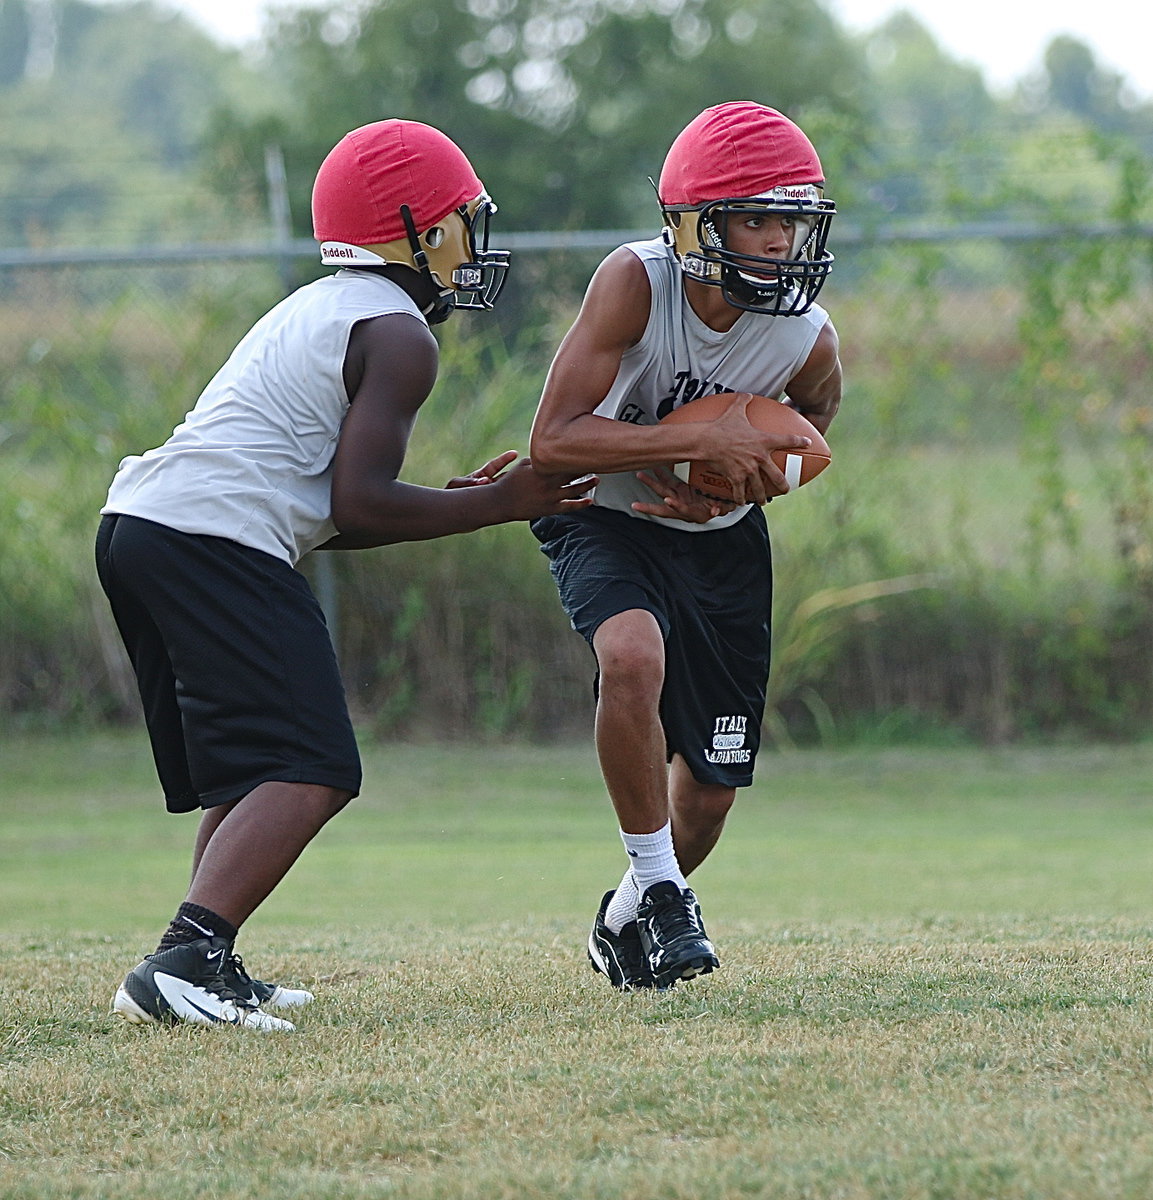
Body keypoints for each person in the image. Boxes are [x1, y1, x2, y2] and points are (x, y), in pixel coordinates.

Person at [95, 118, 595, 1031]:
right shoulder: (400, 336)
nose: (470, 242)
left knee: (258, 769)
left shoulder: (322, 305)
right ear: (411, 230)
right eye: (458, 221)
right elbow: (362, 505)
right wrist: (506, 499)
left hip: (146, 527)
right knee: (312, 764)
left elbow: (328, 510)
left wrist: (460, 501)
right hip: (209, 537)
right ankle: (186, 959)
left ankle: (202, 956)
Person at [528, 101, 842, 991]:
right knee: (630, 656)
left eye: (791, 220)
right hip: (603, 512)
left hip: (720, 545)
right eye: (756, 217)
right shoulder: (636, 281)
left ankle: (627, 912)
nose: (780, 242)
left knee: (707, 795)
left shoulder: (802, 331)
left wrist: (738, 480)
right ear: (693, 224)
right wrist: (687, 443)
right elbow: (553, 440)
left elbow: (815, 422)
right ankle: (667, 900)